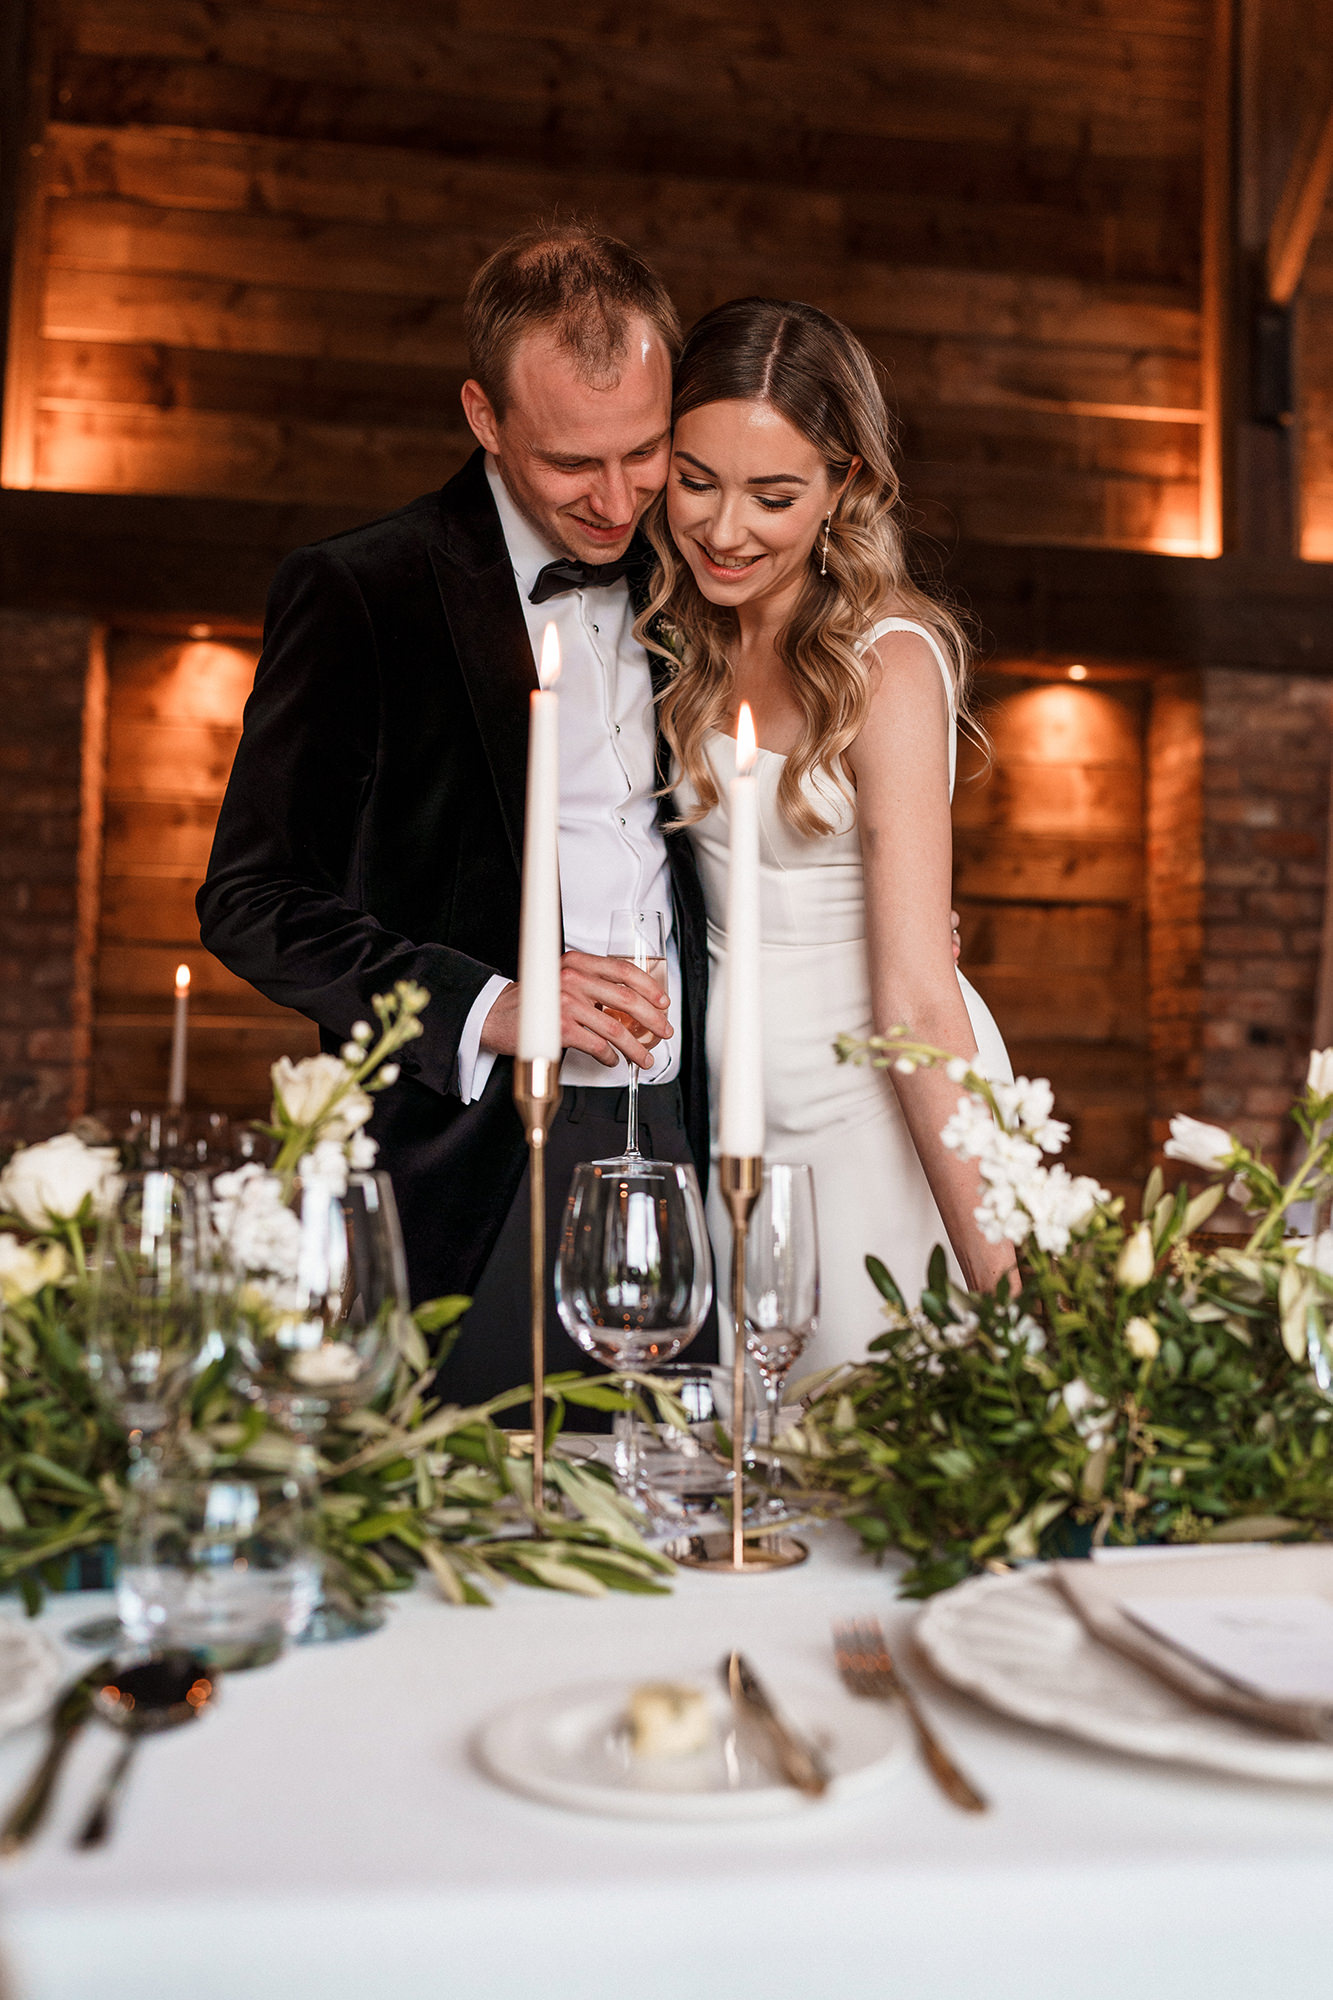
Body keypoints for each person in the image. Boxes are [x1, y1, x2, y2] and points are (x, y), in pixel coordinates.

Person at [197, 222, 714, 1403]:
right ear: (483, 416)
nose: (620, 498)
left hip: (690, 1130)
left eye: (646, 452)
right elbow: (251, 898)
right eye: (571, 463)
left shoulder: (698, 585)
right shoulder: (361, 591)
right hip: (466, 1158)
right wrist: (490, 1004)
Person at [640, 296, 1015, 1378]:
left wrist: (1016, 1291)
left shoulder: (888, 662)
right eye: (696, 479)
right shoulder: (670, 631)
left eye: (773, 495)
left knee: (866, 1420)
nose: (721, 530)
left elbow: (912, 995)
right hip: (715, 1091)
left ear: (845, 483)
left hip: (869, 1099)